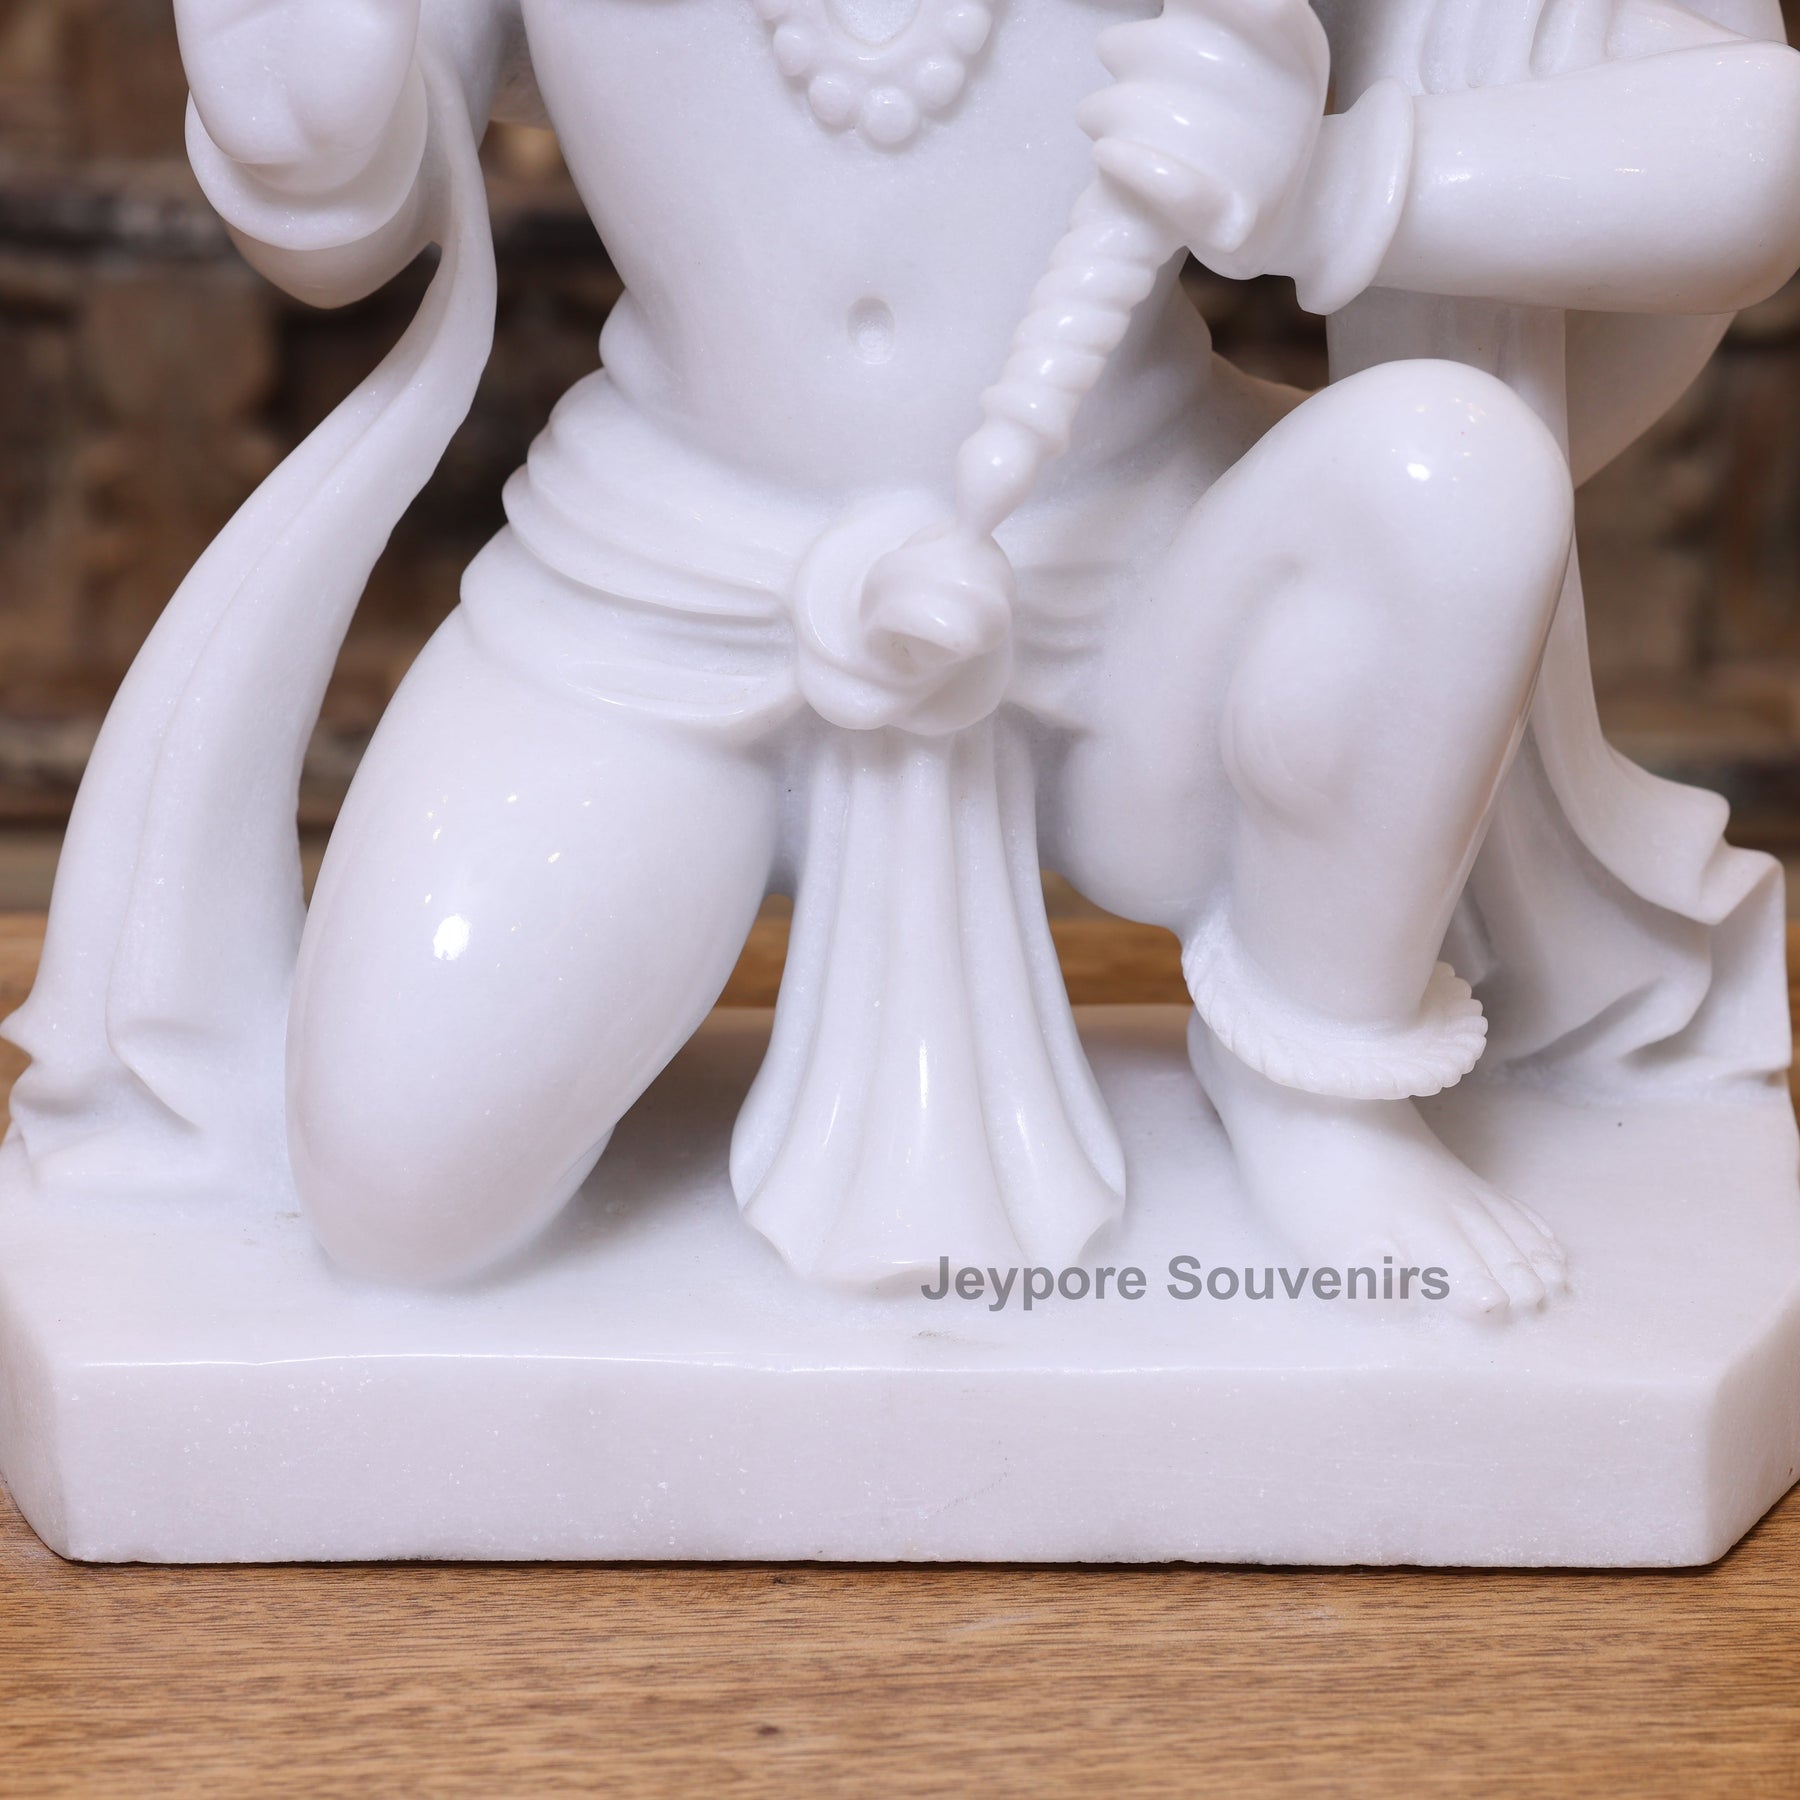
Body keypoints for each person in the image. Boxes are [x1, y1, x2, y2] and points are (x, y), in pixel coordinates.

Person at [10, 0, 1799, 1314]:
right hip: (674, 569)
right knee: (401, 1195)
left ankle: (1315, 1070)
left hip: (1136, 584)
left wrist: (1339, 186)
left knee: (1450, 478)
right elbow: (339, 221)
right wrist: (302, 120)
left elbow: (1748, 142)